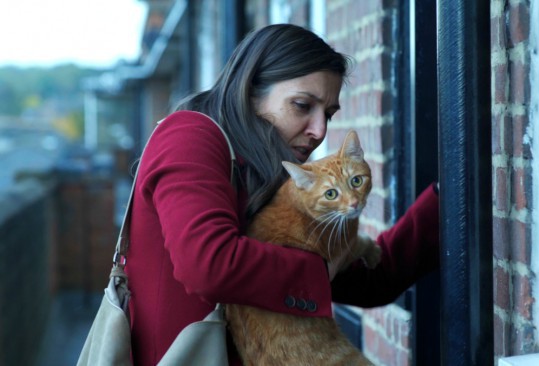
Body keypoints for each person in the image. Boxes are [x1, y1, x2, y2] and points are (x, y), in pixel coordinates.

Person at [126, 23, 440, 365]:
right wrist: (322, 269)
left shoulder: (270, 174)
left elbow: (369, 279)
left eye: (329, 115)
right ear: (250, 90)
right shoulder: (189, 136)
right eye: (303, 106)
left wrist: (447, 198)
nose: (319, 131)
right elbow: (209, 265)